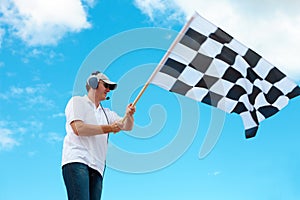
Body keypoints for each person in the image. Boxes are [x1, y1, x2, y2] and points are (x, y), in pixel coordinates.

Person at [61, 71, 136, 200]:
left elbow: (127, 126)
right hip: (78, 160)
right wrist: (109, 128)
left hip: (98, 167)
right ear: (93, 83)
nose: (108, 90)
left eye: (110, 87)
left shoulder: (107, 114)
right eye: (106, 85)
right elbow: (79, 128)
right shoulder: (77, 102)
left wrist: (129, 116)